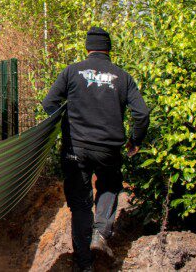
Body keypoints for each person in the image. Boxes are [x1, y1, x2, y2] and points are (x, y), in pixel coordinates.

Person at [42, 27, 149, 272]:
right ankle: (100, 233)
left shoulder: (71, 71)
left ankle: (84, 263)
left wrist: (65, 127)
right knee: (109, 186)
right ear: (109, 49)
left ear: (87, 48)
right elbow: (142, 113)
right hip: (109, 148)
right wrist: (136, 140)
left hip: (75, 148)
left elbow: (49, 103)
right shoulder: (123, 77)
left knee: (80, 204)